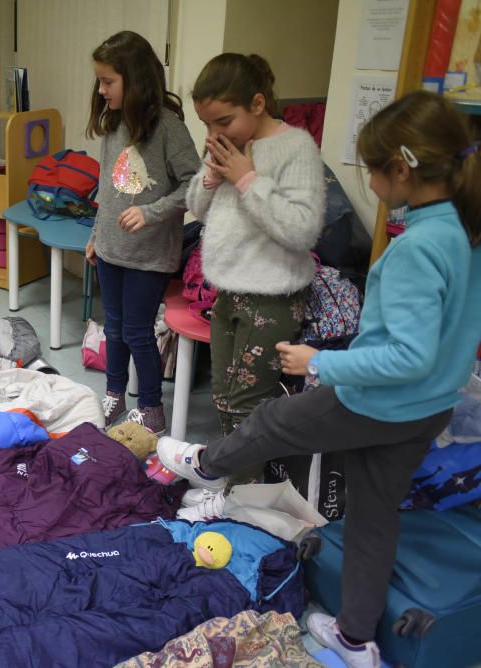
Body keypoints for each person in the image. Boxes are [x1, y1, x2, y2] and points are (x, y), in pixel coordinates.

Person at [158, 90, 481, 668]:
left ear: (401, 171)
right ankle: (357, 639)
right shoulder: (465, 235)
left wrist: (318, 361)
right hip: (428, 407)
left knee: (275, 418)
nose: (368, 185)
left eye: (372, 171)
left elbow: (406, 356)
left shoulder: (419, 250)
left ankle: (204, 464)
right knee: (373, 516)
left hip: (384, 402)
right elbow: (440, 346)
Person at [185, 53, 325, 483]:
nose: (213, 134)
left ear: (258, 104)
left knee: (249, 404)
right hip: (228, 292)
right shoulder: (228, 147)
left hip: (273, 298)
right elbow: (195, 208)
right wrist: (210, 178)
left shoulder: (295, 146)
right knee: (224, 398)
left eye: (223, 121)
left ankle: (244, 497)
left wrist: (247, 178)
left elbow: (303, 230)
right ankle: (238, 487)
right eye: (207, 125)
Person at [83, 30, 200, 433]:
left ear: (135, 81)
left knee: (137, 331)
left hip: (150, 255)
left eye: (108, 81)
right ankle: (115, 393)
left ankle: (151, 406)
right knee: (112, 327)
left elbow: (194, 186)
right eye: (99, 81)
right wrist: (97, 234)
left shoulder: (169, 127)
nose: (101, 91)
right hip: (111, 250)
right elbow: (106, 186)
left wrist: (151, 213)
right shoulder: (114, 124)